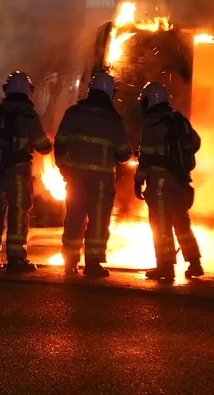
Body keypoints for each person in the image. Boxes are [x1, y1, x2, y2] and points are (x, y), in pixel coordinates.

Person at [55, 70, 132, 278]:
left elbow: (60, 143)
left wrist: (63, 167)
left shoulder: (73, 113)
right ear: (110, 93)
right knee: (98, 222)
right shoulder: (113, 120)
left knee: (74, 218)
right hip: (101, 182)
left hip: (76, 178)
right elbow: (124, 153)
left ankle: (70, 262)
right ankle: (93, 264)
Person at [0, 70, 53, 272]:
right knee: (18, 214)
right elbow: (41, 146)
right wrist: (49, 145)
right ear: (28, 91)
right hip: (18, 173)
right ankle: (16, 259)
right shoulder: (28, 115)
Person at [133, 81, 204, 282]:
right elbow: (195, 142)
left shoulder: (152, 124)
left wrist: (138, 181)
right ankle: (194, 262)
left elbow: (146, 157)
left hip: (160, 184)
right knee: (182, 223)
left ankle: (165, 266)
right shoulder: (180, 120)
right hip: (181, 182)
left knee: (160, 225)